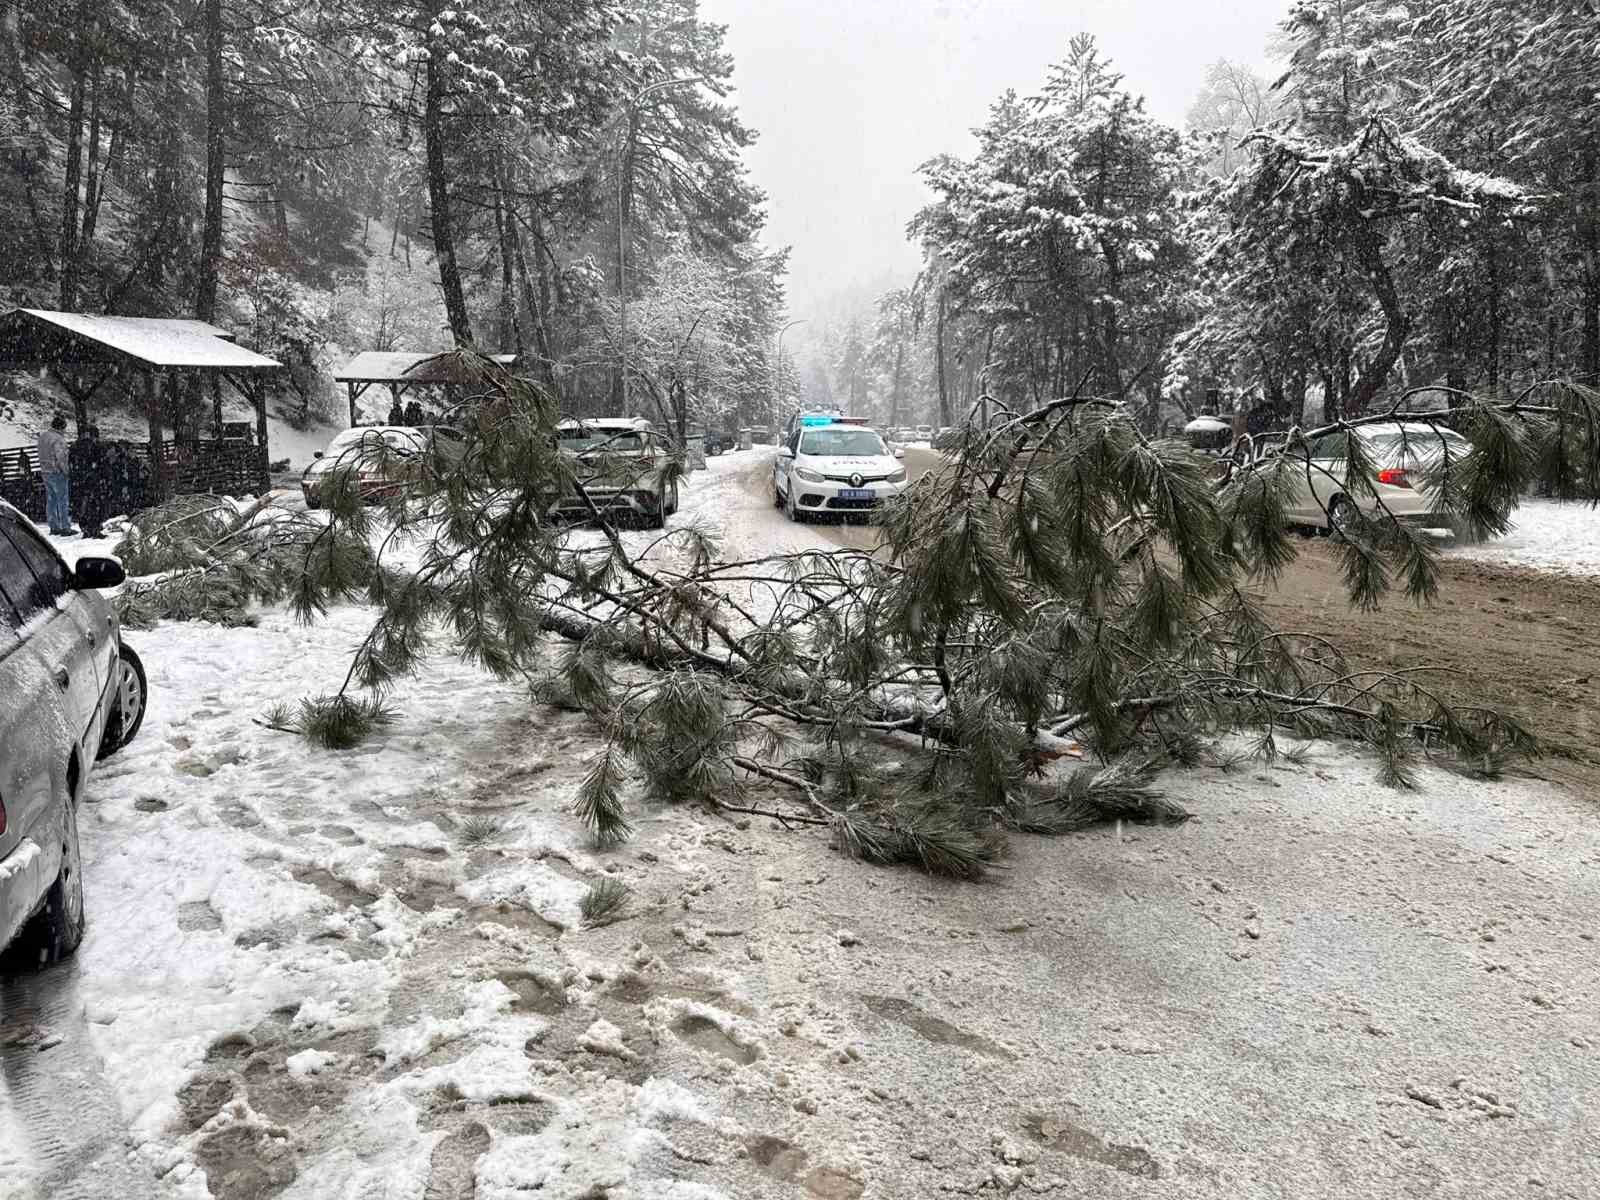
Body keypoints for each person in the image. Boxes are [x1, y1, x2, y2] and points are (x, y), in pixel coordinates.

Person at [37, 414, 75, 536]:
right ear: (61, 427)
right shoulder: (58, 439)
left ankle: (53, 526)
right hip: (57, 472)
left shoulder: (43, 437)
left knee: (51, 500)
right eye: (64, 427)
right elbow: (61, 458)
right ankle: (65, 527)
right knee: (62, 500)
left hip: (45, 471)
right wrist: (66, 471)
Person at [68, 423, 106, 538]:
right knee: (94, 504)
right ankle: (94, 528)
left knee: (82, 505)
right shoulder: (94, 446)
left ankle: (85, 528)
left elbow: (71, 462)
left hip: (78, 480)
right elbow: (99, 462)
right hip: (91, 479)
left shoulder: (74, 446)